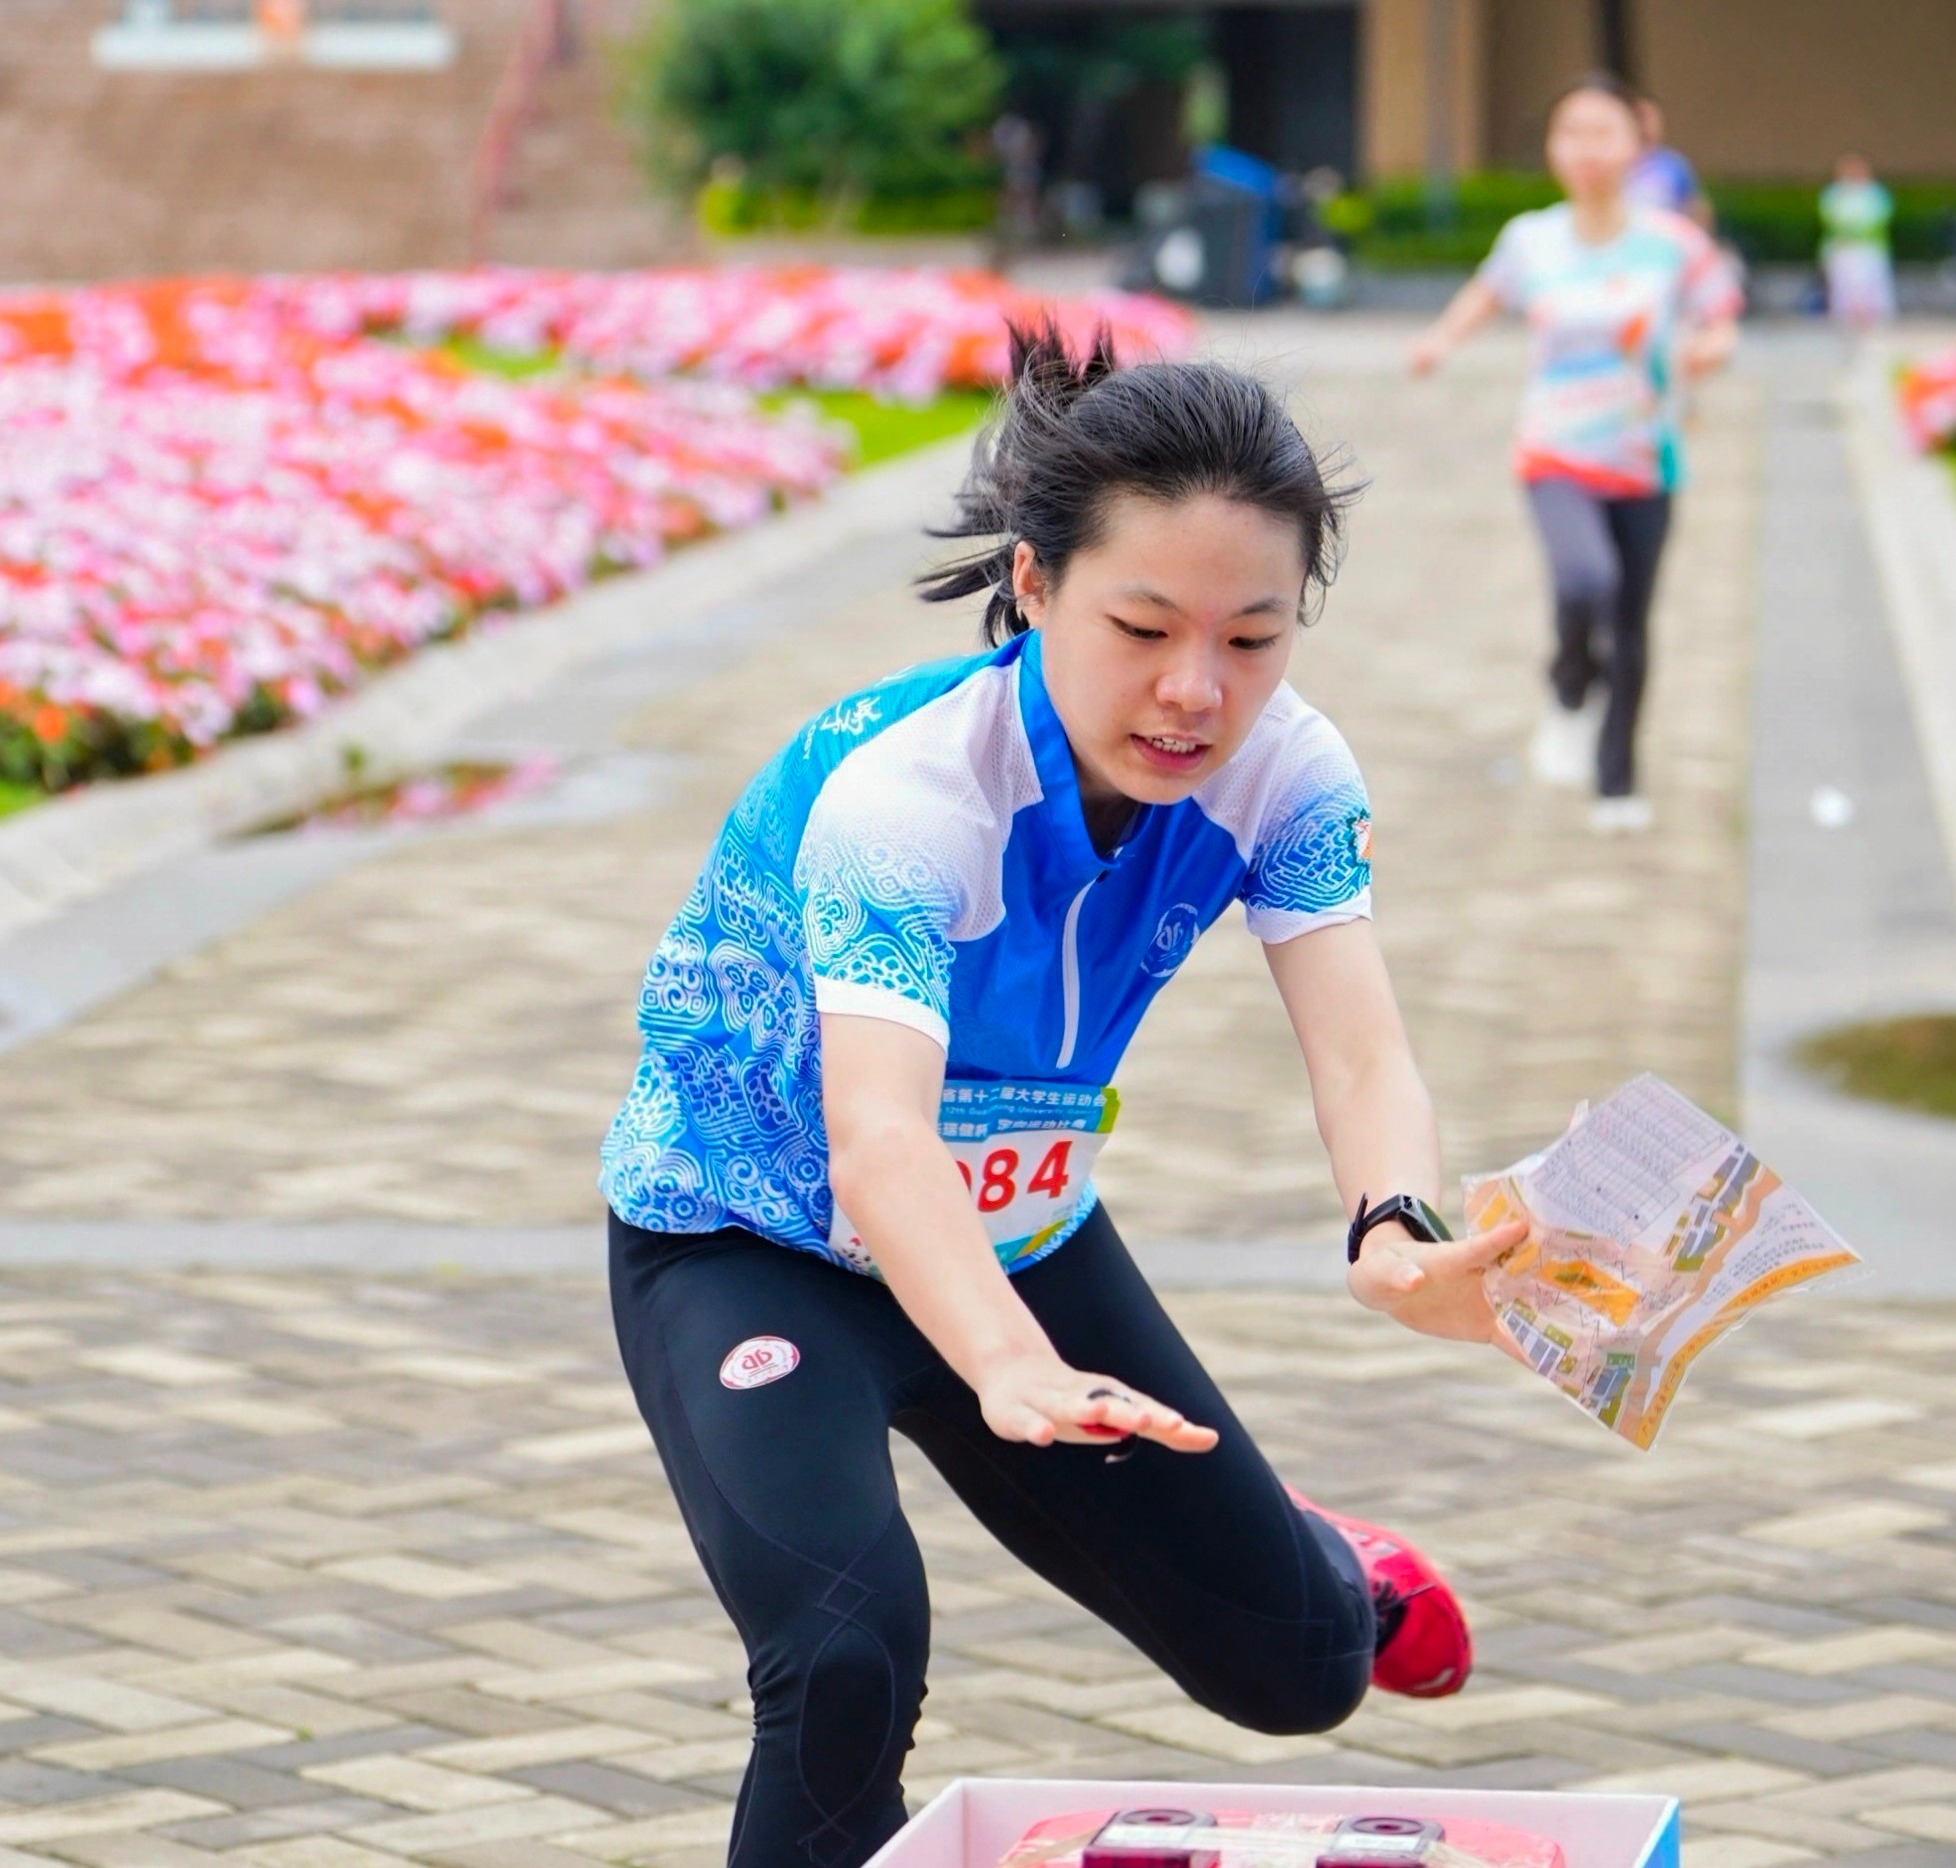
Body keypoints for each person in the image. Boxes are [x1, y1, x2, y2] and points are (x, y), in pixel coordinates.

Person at [601, 325, 1529, 1868]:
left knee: (1298, 1672)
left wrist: (1395, 1228)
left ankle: (1334, 1566)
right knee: (842, 1657)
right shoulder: (907, 796)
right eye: (1143, 627)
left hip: (1019, 1241)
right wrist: (1006, 1366)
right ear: (1033, 585)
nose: (1195, 691)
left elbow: (1363, 1052)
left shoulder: (1289, 774)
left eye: (1253, 638)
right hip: (752, 1246)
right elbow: (878, 1137)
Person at [1407, 73, 1740, 833]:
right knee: (1587, 579)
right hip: (1555, 449)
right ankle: (1566, 690)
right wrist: (1440, 341)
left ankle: (1617, 783)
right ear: (1554, 148)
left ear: (1638, 143)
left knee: (1631, 622)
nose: (1586, 149)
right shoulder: (1532, 239)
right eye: (1571, 132)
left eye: (1602, 132)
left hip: (1646, 456)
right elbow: (1487, 293)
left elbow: (1721, 319)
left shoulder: (1673, 243)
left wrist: (1705, 353)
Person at [1819, 153, 1894, 331]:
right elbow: (1830, 219)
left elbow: (1879, 219)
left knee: (1871, 288)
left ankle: (1877, 322)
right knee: (1844, 288)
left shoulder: (1876, 194)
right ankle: (1844, 322)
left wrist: (1855, 232)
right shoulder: (1834, 194)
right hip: (1842, 249)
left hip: (1869, 249)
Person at [1625, 96, 1710, 231]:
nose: (1647, 125)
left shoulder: (1673, 165)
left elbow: (1696, 208)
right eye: (1641, 117)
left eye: (1653, 118)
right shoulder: (1613, 163)